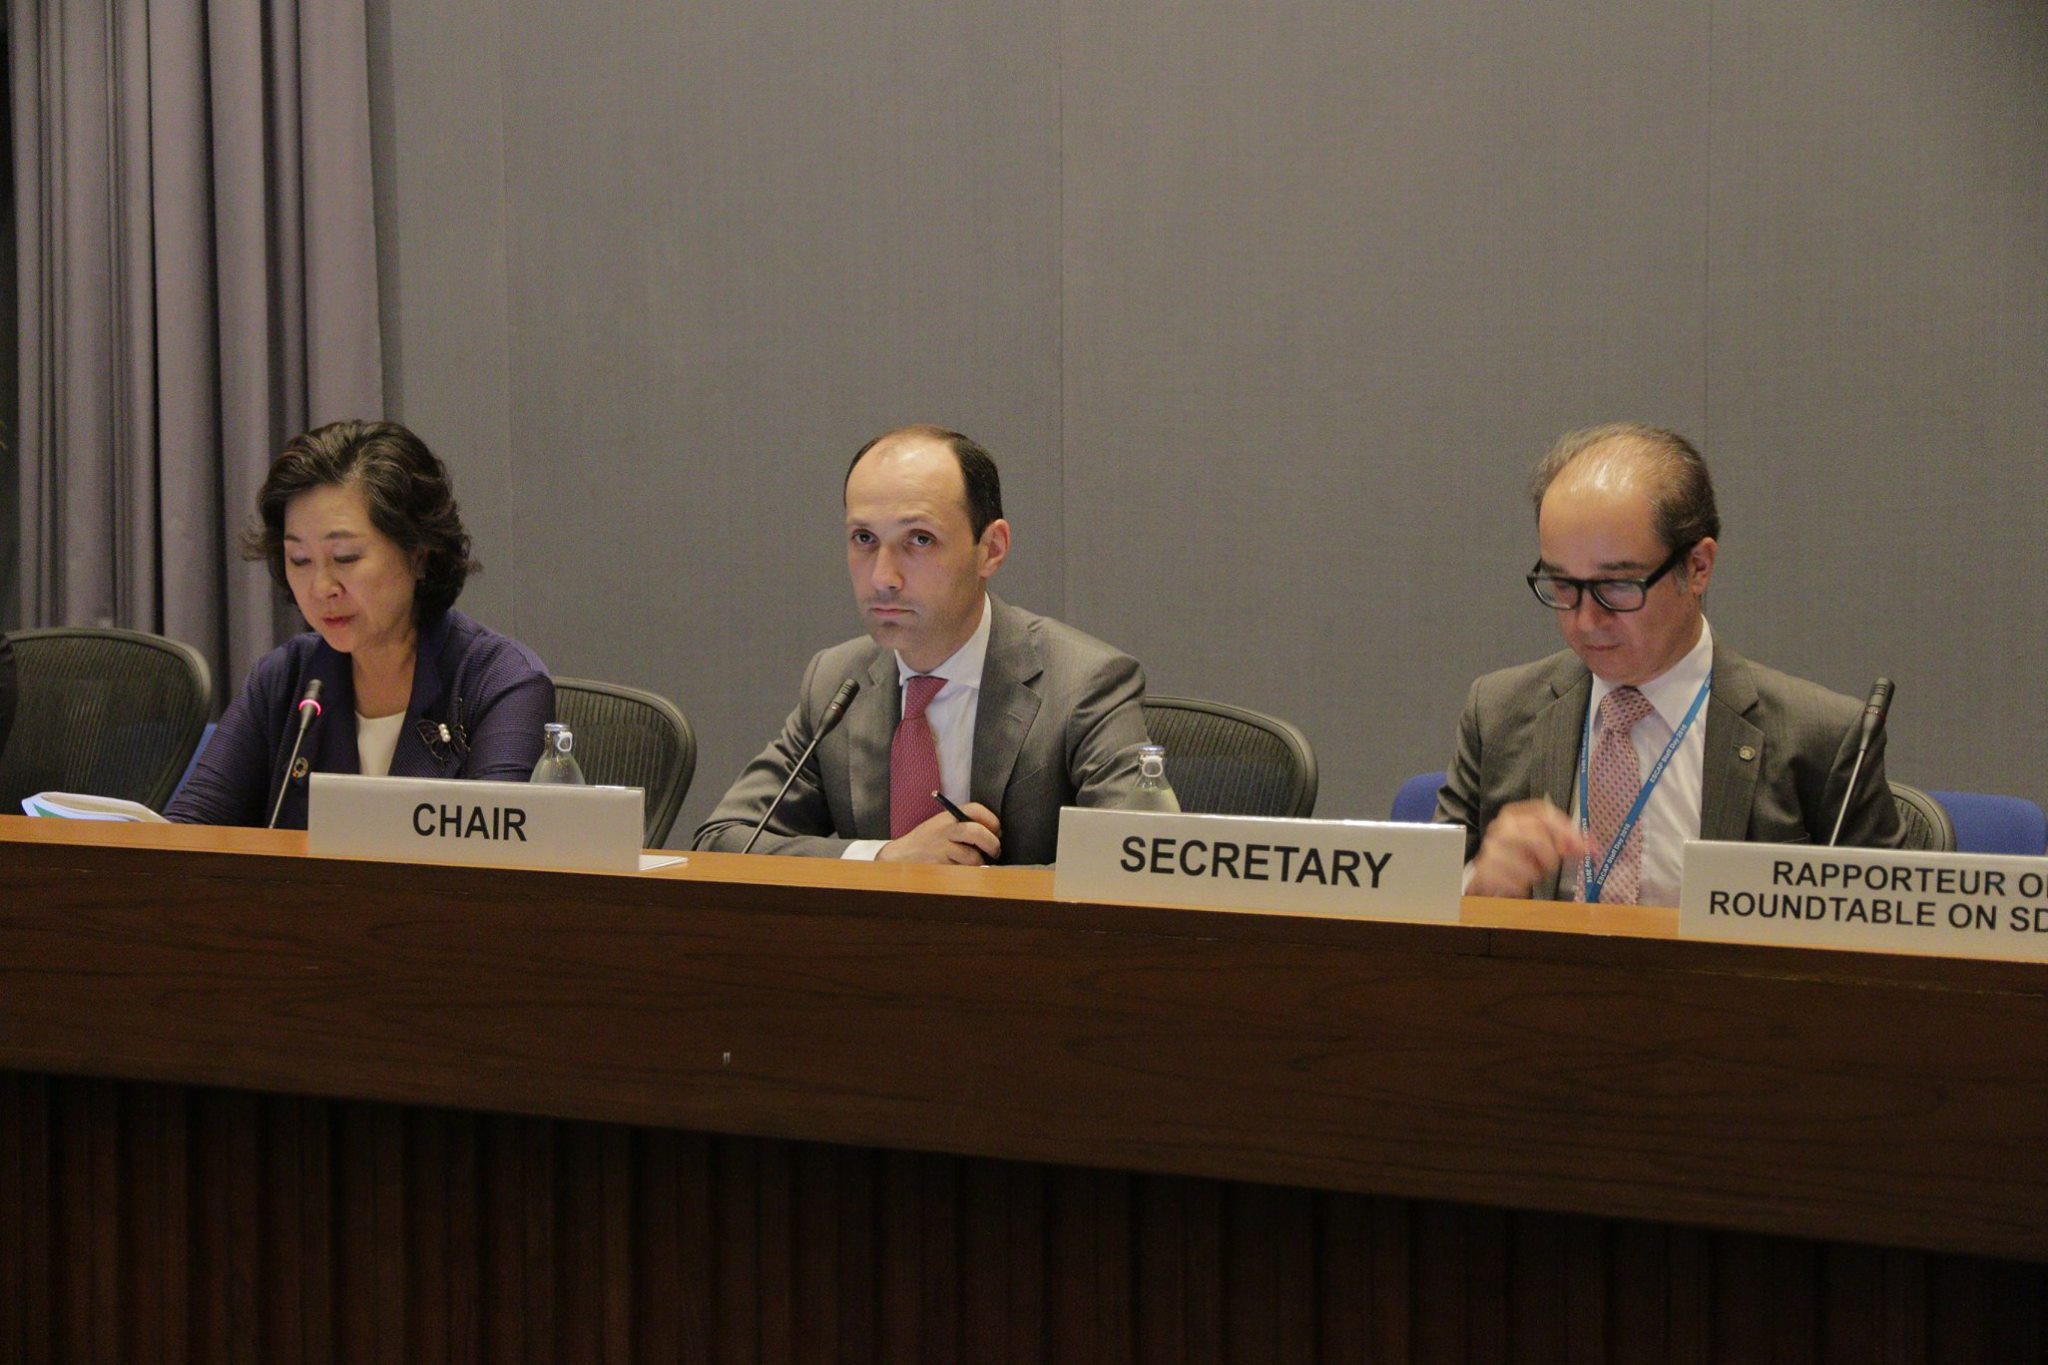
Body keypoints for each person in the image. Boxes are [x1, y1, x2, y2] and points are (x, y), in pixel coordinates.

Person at [1437, 422, 1903, 905]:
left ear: (1698, 567)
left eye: (1617, 586)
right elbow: (1418, 911)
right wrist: (1479, 886)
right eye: (1562, 585)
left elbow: (1893, 929)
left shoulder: (1818, 738)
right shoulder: (1498, 714)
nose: (1585, 620)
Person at [694, 424, 1152, 864]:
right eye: (864, 538)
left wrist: (966, 884)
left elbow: (1134, 867)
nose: (882, 578)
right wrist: (883, 859)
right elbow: (723, 840)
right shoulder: (837, 682)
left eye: (919, 539)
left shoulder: (1083, 683)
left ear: (991, 548)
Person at [166, 420, 553, 829]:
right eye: (299, 560)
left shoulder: (500, 683)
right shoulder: (283, 679)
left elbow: (495, 857)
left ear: (419, 555)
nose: (321, 588)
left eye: (346, 557)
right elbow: (188, 834)